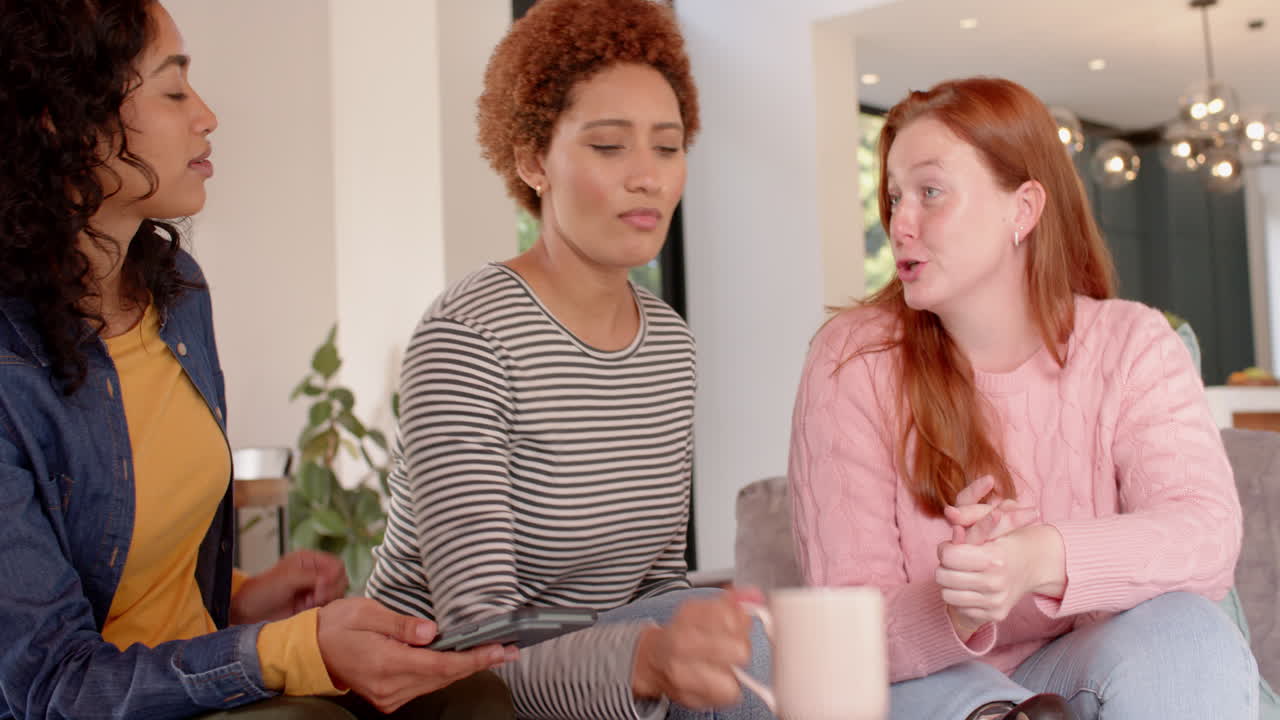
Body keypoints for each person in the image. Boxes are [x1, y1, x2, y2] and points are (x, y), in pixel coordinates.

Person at [0, 2, 516, 718]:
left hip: (191, 677)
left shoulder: (175, 294)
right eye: (172, 90)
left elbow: (141, 578)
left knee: (472, 697)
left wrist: (245, 599)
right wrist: (284, 649)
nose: (206, 115)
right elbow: (51, 687)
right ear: (62, 121)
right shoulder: (11, 371)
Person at [788, 76, 1259, 720]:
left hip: (1088, 664)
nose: (900, 224)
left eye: (930, 192)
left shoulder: (1132, 343)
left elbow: (1204, 537)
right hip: (932, 688)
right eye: (894, 197)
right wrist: (958, 607)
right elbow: (843, 627)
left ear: (1024, 208)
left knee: (1191, 634)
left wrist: (1036, 558)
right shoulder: (853, 359)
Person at [363, 1, 771, 718]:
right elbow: (479, 639)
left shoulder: (669, 344)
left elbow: (657, 584)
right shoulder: (468, 336)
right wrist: (645, 658)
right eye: (609, 147)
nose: (648, 177)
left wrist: (682, 641)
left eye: (668, 147)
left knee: (770, 647)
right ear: (532, 160)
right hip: (453, 693)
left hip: (600, 679)